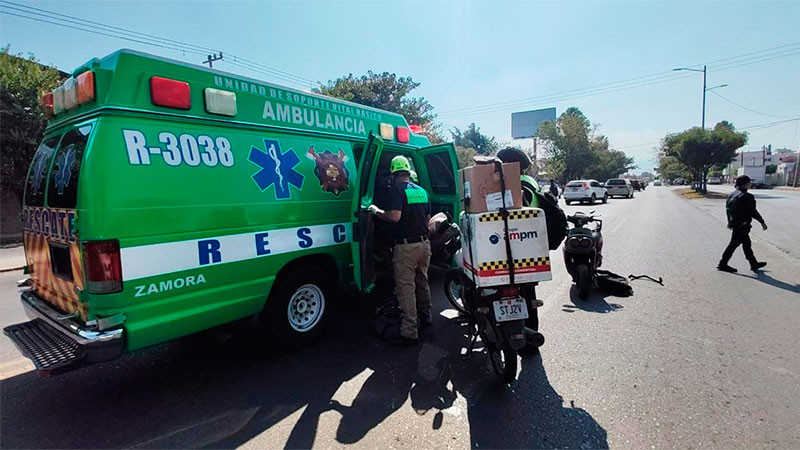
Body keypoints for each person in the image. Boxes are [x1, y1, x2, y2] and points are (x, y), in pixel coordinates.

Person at [368, 155, 432, 345]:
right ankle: (426, 318)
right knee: (422, 282)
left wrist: (376, 211)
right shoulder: (421, 191)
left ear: (394, 173)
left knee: (406, 289)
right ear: (408, 172)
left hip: (406, 247)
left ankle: (409, 332)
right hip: (424, 245)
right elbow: (427, 217)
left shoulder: (394, 190)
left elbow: (394, 217)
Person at [717, 175, 768, 273]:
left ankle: (753, 263)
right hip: (742, 225)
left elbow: (728, 210)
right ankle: (722, 263)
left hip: (737, 224)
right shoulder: (747, 196)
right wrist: (762, 222)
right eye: (749, 182)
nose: (750, 184)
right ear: (746, 184)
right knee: (733, 245)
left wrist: (730, 222)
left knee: (747, 244)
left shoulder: (732, 195)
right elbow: (753, 212)